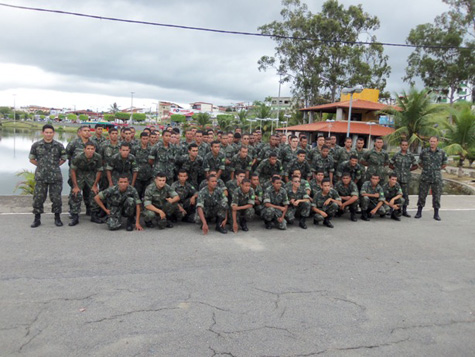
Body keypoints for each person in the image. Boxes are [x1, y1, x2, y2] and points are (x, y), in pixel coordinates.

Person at [29, 124, 67, 228]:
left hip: (55, 177)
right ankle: (37, 219)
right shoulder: (36, 145)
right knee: (38, 198)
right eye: (46, 132)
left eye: (50, 132)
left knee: (56, 198)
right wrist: (41, 166)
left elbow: (64, 158)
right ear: (42, 133)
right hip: (41, 176)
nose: (49, 134)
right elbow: (31, 159)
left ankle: (57, 218)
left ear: (53, 133)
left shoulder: (59, 145)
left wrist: (54, 166)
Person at [68, 141, 103, 226]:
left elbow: (99, 171)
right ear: (84, 149)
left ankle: (93, 215)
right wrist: (75, 186)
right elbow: (73, 171)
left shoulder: (98, 157)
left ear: (94, 149)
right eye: (88, 149)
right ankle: (75, 216)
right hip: (79, 175)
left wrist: (95, 185)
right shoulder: (78, 157)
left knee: (94, 193)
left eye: (92, 149)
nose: (90, 151)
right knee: (76, 193)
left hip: (90, 175)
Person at [415, 136, 447, 221]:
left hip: (436, 177)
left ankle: (436, 213)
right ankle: (419, 211)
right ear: (429, 142)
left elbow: (444, 163)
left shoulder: (441, 152)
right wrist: (427, 169)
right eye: (431, 141)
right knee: (422, 194)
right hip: (425, 176)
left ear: (437, 142)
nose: (432, 143)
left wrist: (436, 169)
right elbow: (420, 162)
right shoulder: (424, 152)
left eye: (434, 141)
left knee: (436, 195)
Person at [389, 140, 417, 217]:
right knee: (394, 194)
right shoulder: (396, 155)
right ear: (400, 146)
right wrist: (396, 170)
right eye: (403, 145)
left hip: (405, 179)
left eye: (406, 145)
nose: (404, 146)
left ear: (407, 146)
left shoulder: (410, 155)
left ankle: (404, 210)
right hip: (396, 179)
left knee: (405, 195)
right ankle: (392, 209)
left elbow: (415, 165)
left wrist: (408, 170)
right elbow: (390, 164)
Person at [134, 132, 153, 199]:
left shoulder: (151, 149)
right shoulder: (135, 148)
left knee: (147, 194)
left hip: (148, 175)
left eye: (146, 139)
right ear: (140, 139)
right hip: (138, 175)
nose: (145, 140)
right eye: (143, 139)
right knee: (137, 193)